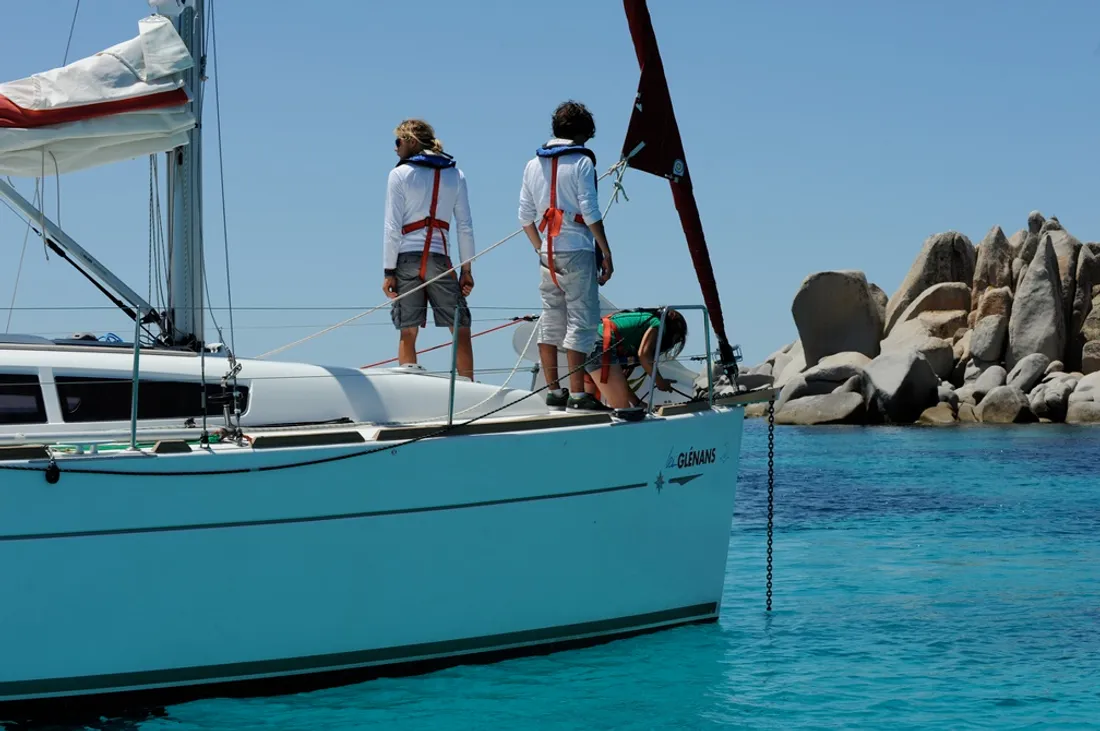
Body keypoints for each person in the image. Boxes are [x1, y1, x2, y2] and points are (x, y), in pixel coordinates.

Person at [518, 100, 614, 411]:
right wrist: (607, 251)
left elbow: (524, 216)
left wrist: (539, 248)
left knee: (551, 318)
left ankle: (554, 391)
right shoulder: (582, 163)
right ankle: (578, 394)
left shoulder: (533, 164)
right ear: (583, 134)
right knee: (581, 321)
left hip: (547, 253)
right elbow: (590, 210)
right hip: (577, 250)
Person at [383, 119, 476, 380]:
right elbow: (465, 226)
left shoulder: (399, 174)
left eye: (398, 142)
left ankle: (409, 387)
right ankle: (468, 387)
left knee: (408, 331)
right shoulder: (455, 175)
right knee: (459, 327)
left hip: (405, 259)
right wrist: (466, 269)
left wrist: (389, 271)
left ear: (411, 141)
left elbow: (392, 228)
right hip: (440, 259)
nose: (395, 148)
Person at [585, 308, 688, 409]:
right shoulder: (658, 324)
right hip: (600, 346)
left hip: (588, 344)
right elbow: (644, 355)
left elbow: (621, 381)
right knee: (623, 410)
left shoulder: (637, 330)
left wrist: (637, 403)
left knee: (606, 410)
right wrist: (659, 381)